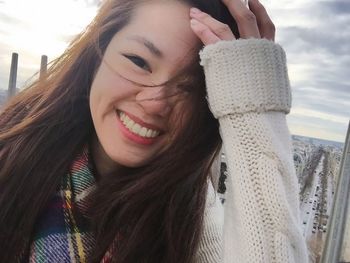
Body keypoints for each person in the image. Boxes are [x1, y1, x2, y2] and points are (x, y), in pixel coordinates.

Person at [0, 0, 309, 262]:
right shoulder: (9, 156)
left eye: (190, 87)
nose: (155, 102)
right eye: (138, 61)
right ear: (97, 56)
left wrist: (256, 110)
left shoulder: (193, 219)